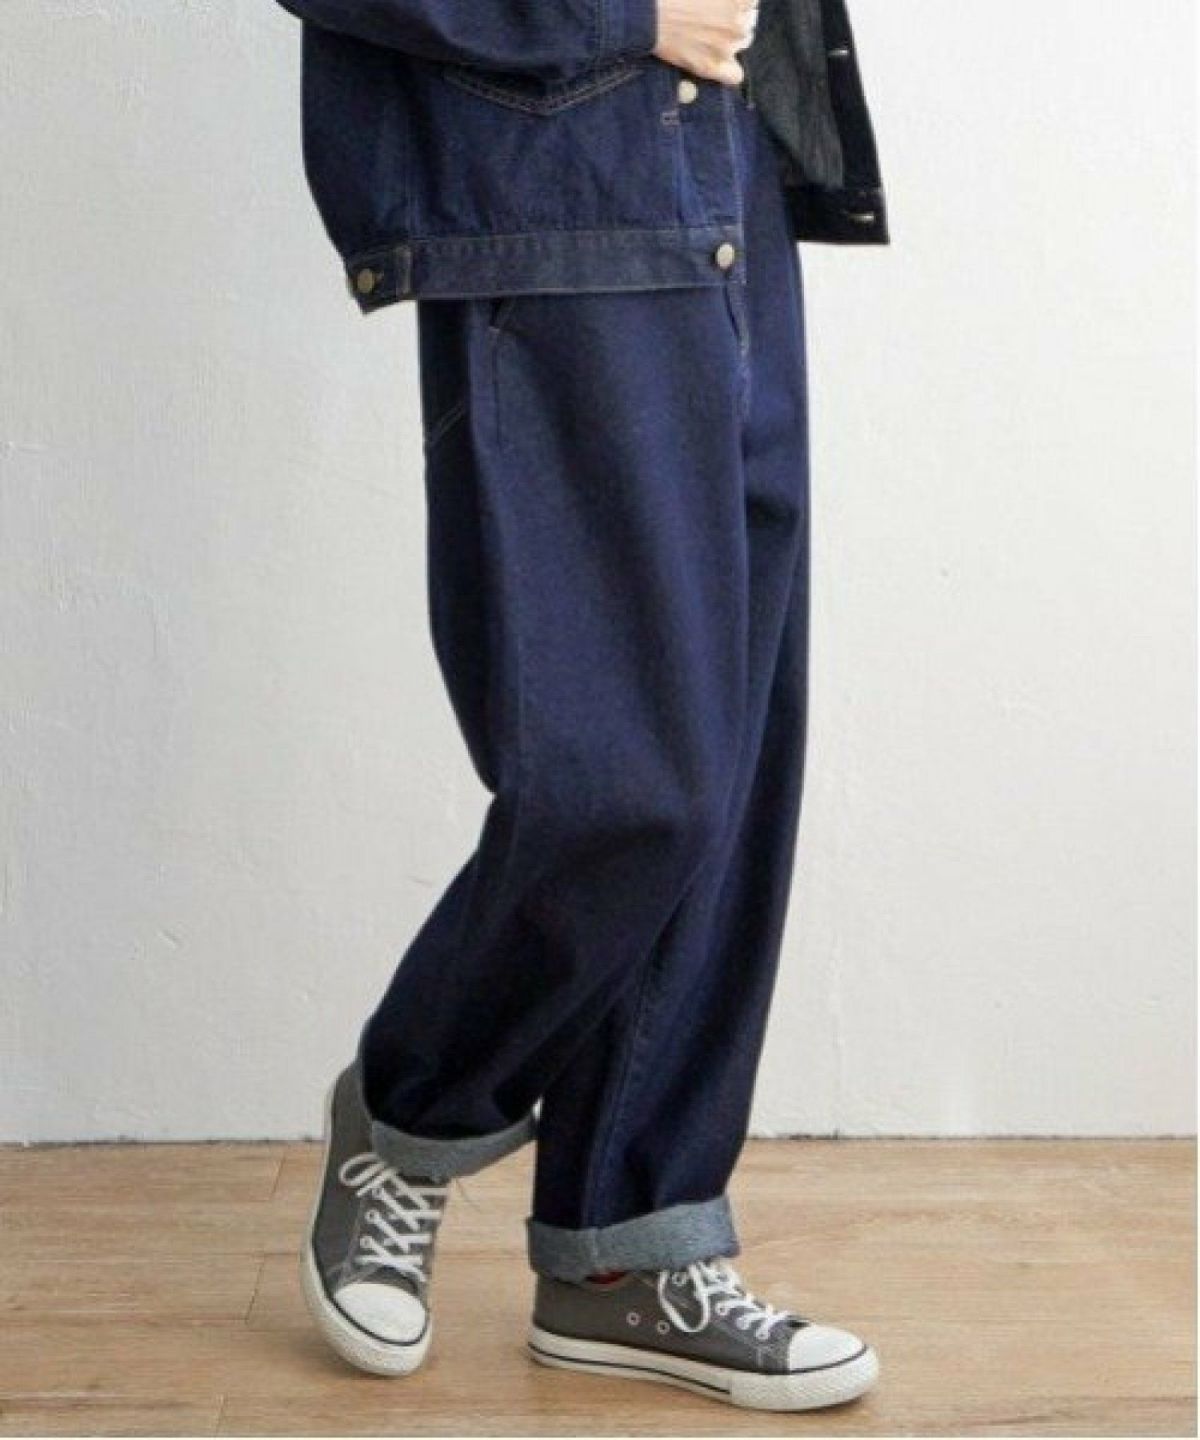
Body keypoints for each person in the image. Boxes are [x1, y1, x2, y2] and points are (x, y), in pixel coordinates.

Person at [275, 0, 888, 1411]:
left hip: (728, 169)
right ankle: (408, 1113)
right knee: (627, 781)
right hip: (565, 199)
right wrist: (627, 12)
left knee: (729, 769)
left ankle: (628, 1248)